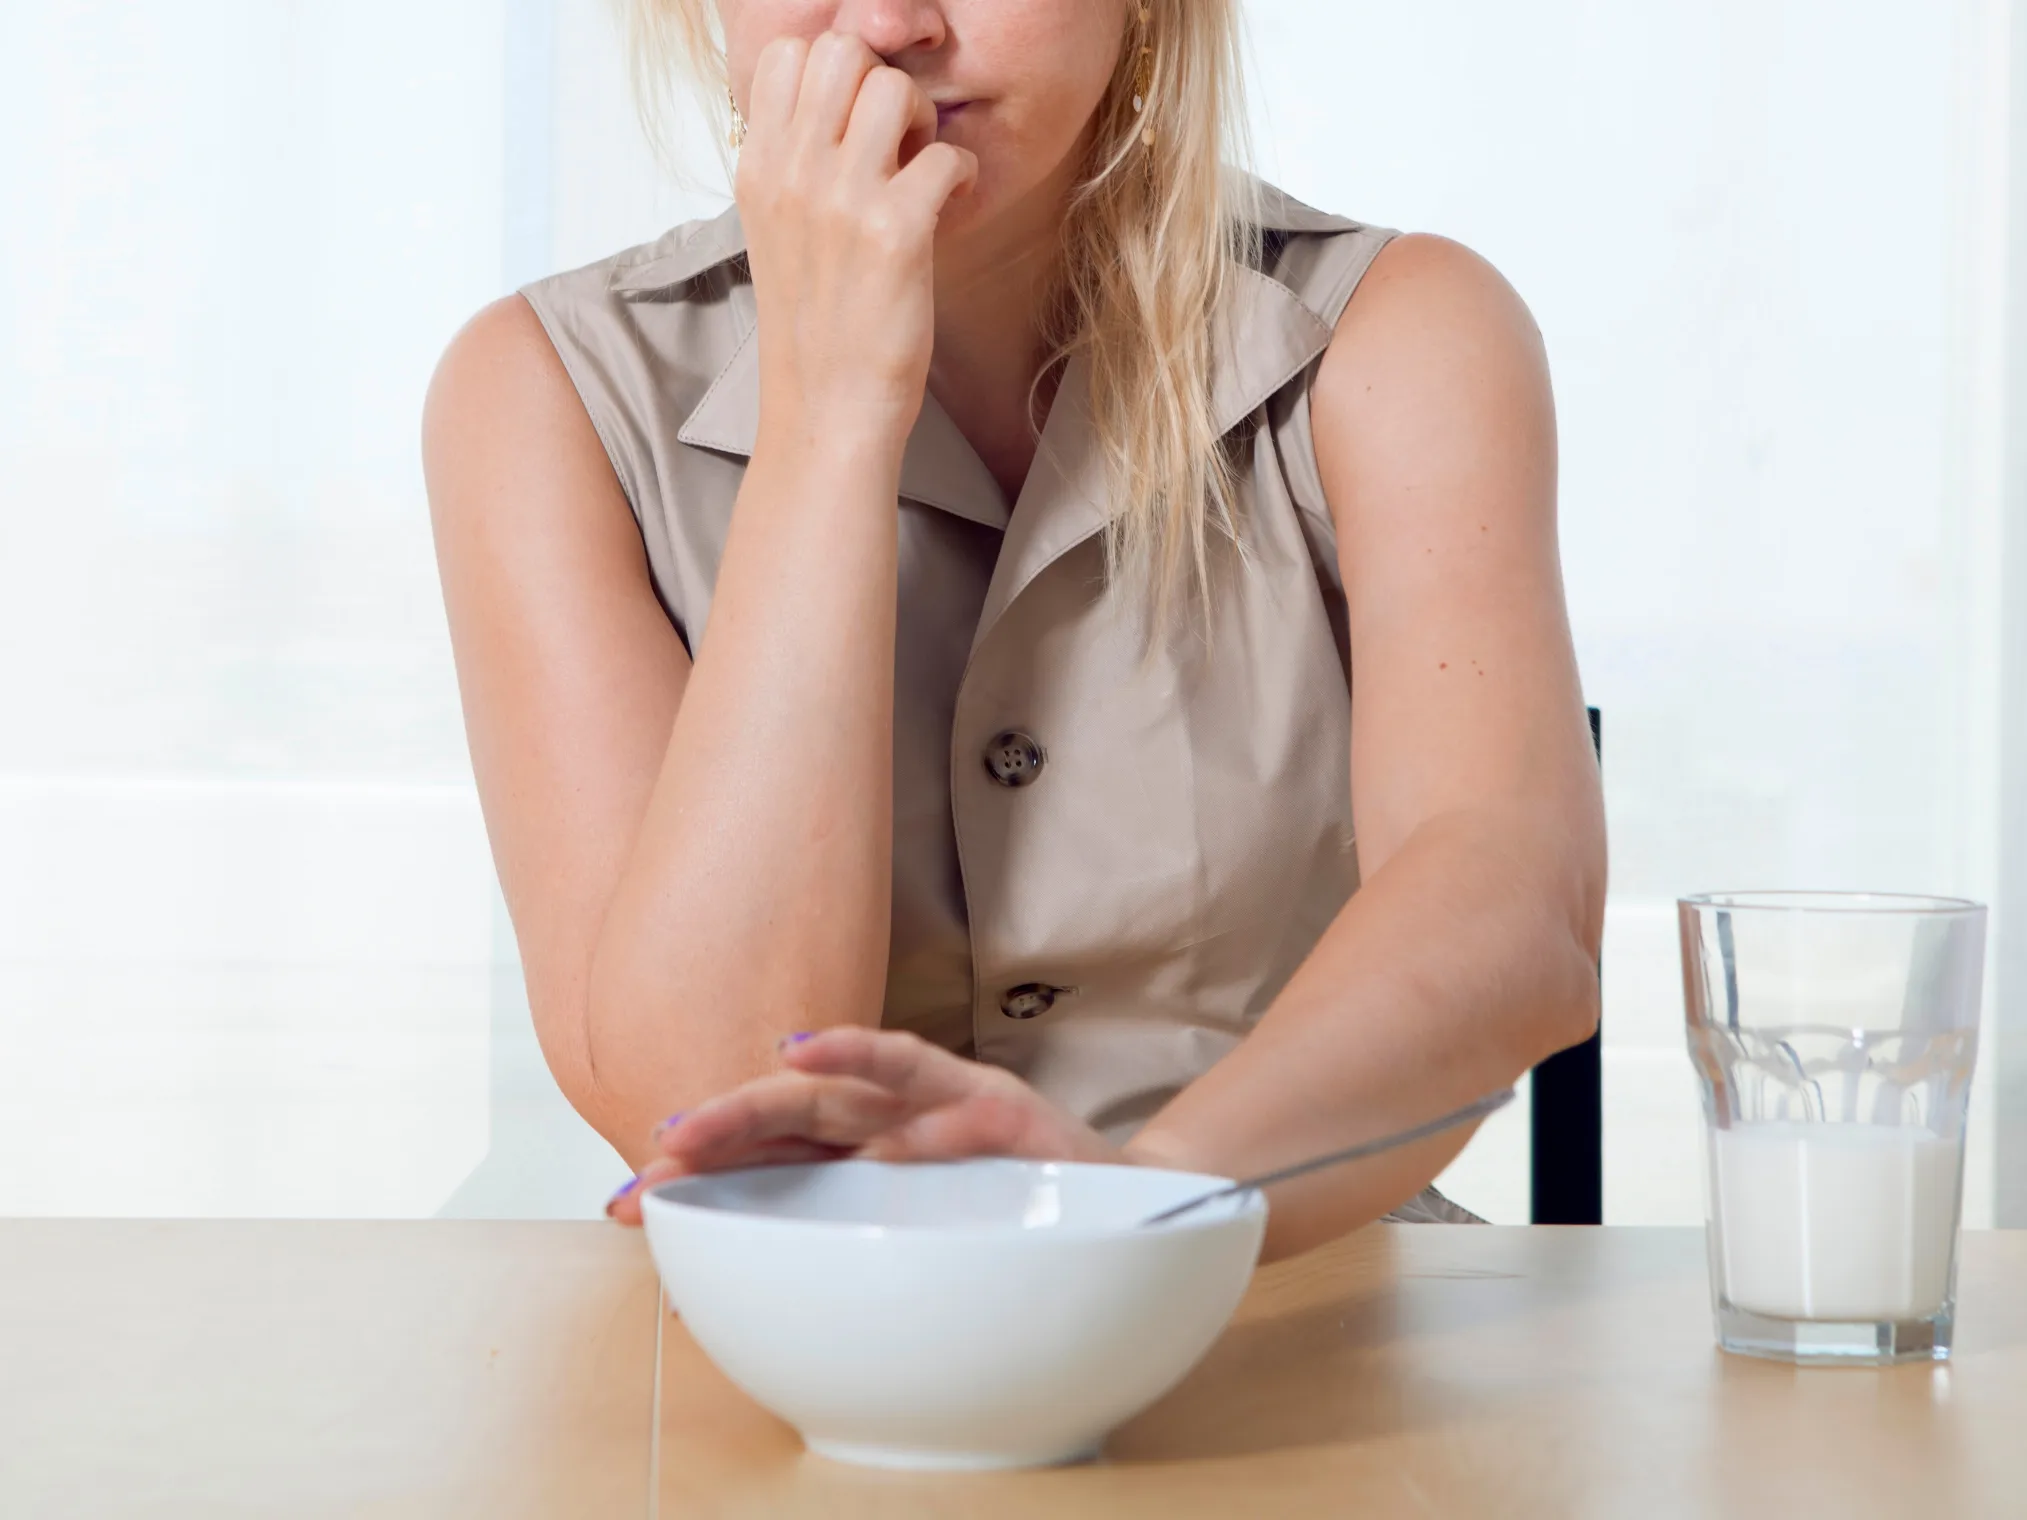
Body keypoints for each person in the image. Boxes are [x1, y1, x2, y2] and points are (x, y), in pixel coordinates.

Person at [422, 0, 1606, 1262]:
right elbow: (704, 1097)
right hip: (787, 1333)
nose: (886, 23)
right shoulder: (540, 389)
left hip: (1294, 1293)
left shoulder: (1397, 331)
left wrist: (1141, 1206)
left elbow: (1508, 906)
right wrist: (828, 404)